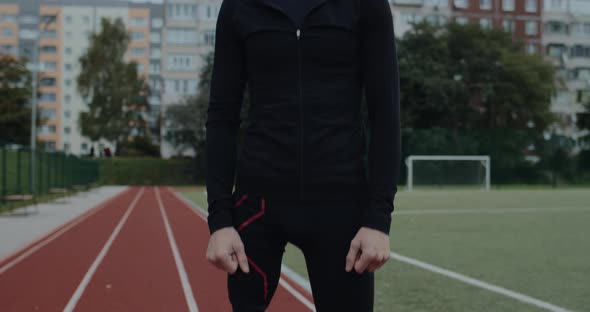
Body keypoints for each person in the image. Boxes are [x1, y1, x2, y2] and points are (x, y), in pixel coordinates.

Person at [205, 0, 400, 311]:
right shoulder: (239, 7)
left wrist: (378, 219)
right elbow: (221, 116)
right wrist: (219, 221)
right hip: (258, 207)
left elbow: (386, 115)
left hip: (341, 207)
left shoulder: (366, 5)